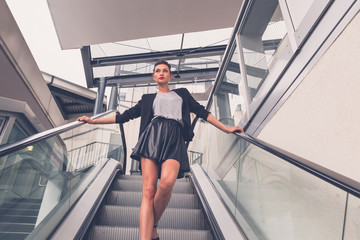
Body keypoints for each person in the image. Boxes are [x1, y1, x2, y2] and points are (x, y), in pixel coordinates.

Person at [77, 60, 243, 240]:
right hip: (151, 137)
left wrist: (226, 128)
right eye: (158, 71)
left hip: (175, 138)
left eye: (165, 70)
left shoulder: (182, 94)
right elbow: (124, 117)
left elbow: (202, 112)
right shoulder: (147, 99)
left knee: (167, 183)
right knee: (148, 191)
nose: (161, 73)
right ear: (154, 76)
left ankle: (153, 226)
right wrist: (94, 121)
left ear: (170, 76)